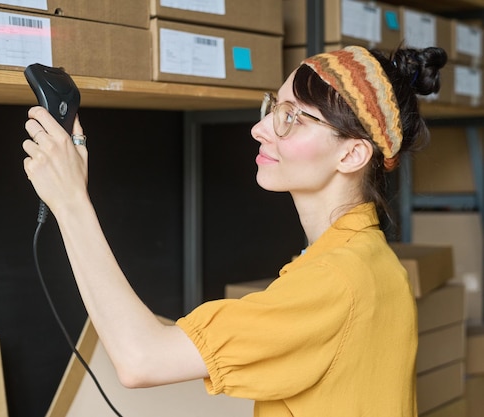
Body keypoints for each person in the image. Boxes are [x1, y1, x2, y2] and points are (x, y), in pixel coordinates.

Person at [22, 44, 447, 416]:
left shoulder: (333, 282)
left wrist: (71, 202)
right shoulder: (373, 261)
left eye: (291, 118)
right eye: (273, 108)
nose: (260, 129)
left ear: (352, 154)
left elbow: (141, 359)